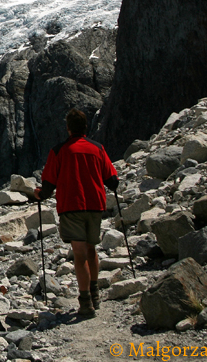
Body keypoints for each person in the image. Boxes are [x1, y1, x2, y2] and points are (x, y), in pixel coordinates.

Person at [33, 108, 118, 318]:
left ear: (68, 128)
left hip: (71, 207)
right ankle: (95, 292)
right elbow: (113, 181)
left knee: (79, 255)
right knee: (92, 250)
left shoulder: (59, 151)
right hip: (95, 206)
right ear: (86, 127)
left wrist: (38, 194)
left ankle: (85, 302)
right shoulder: (97, 148)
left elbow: (48, 185)